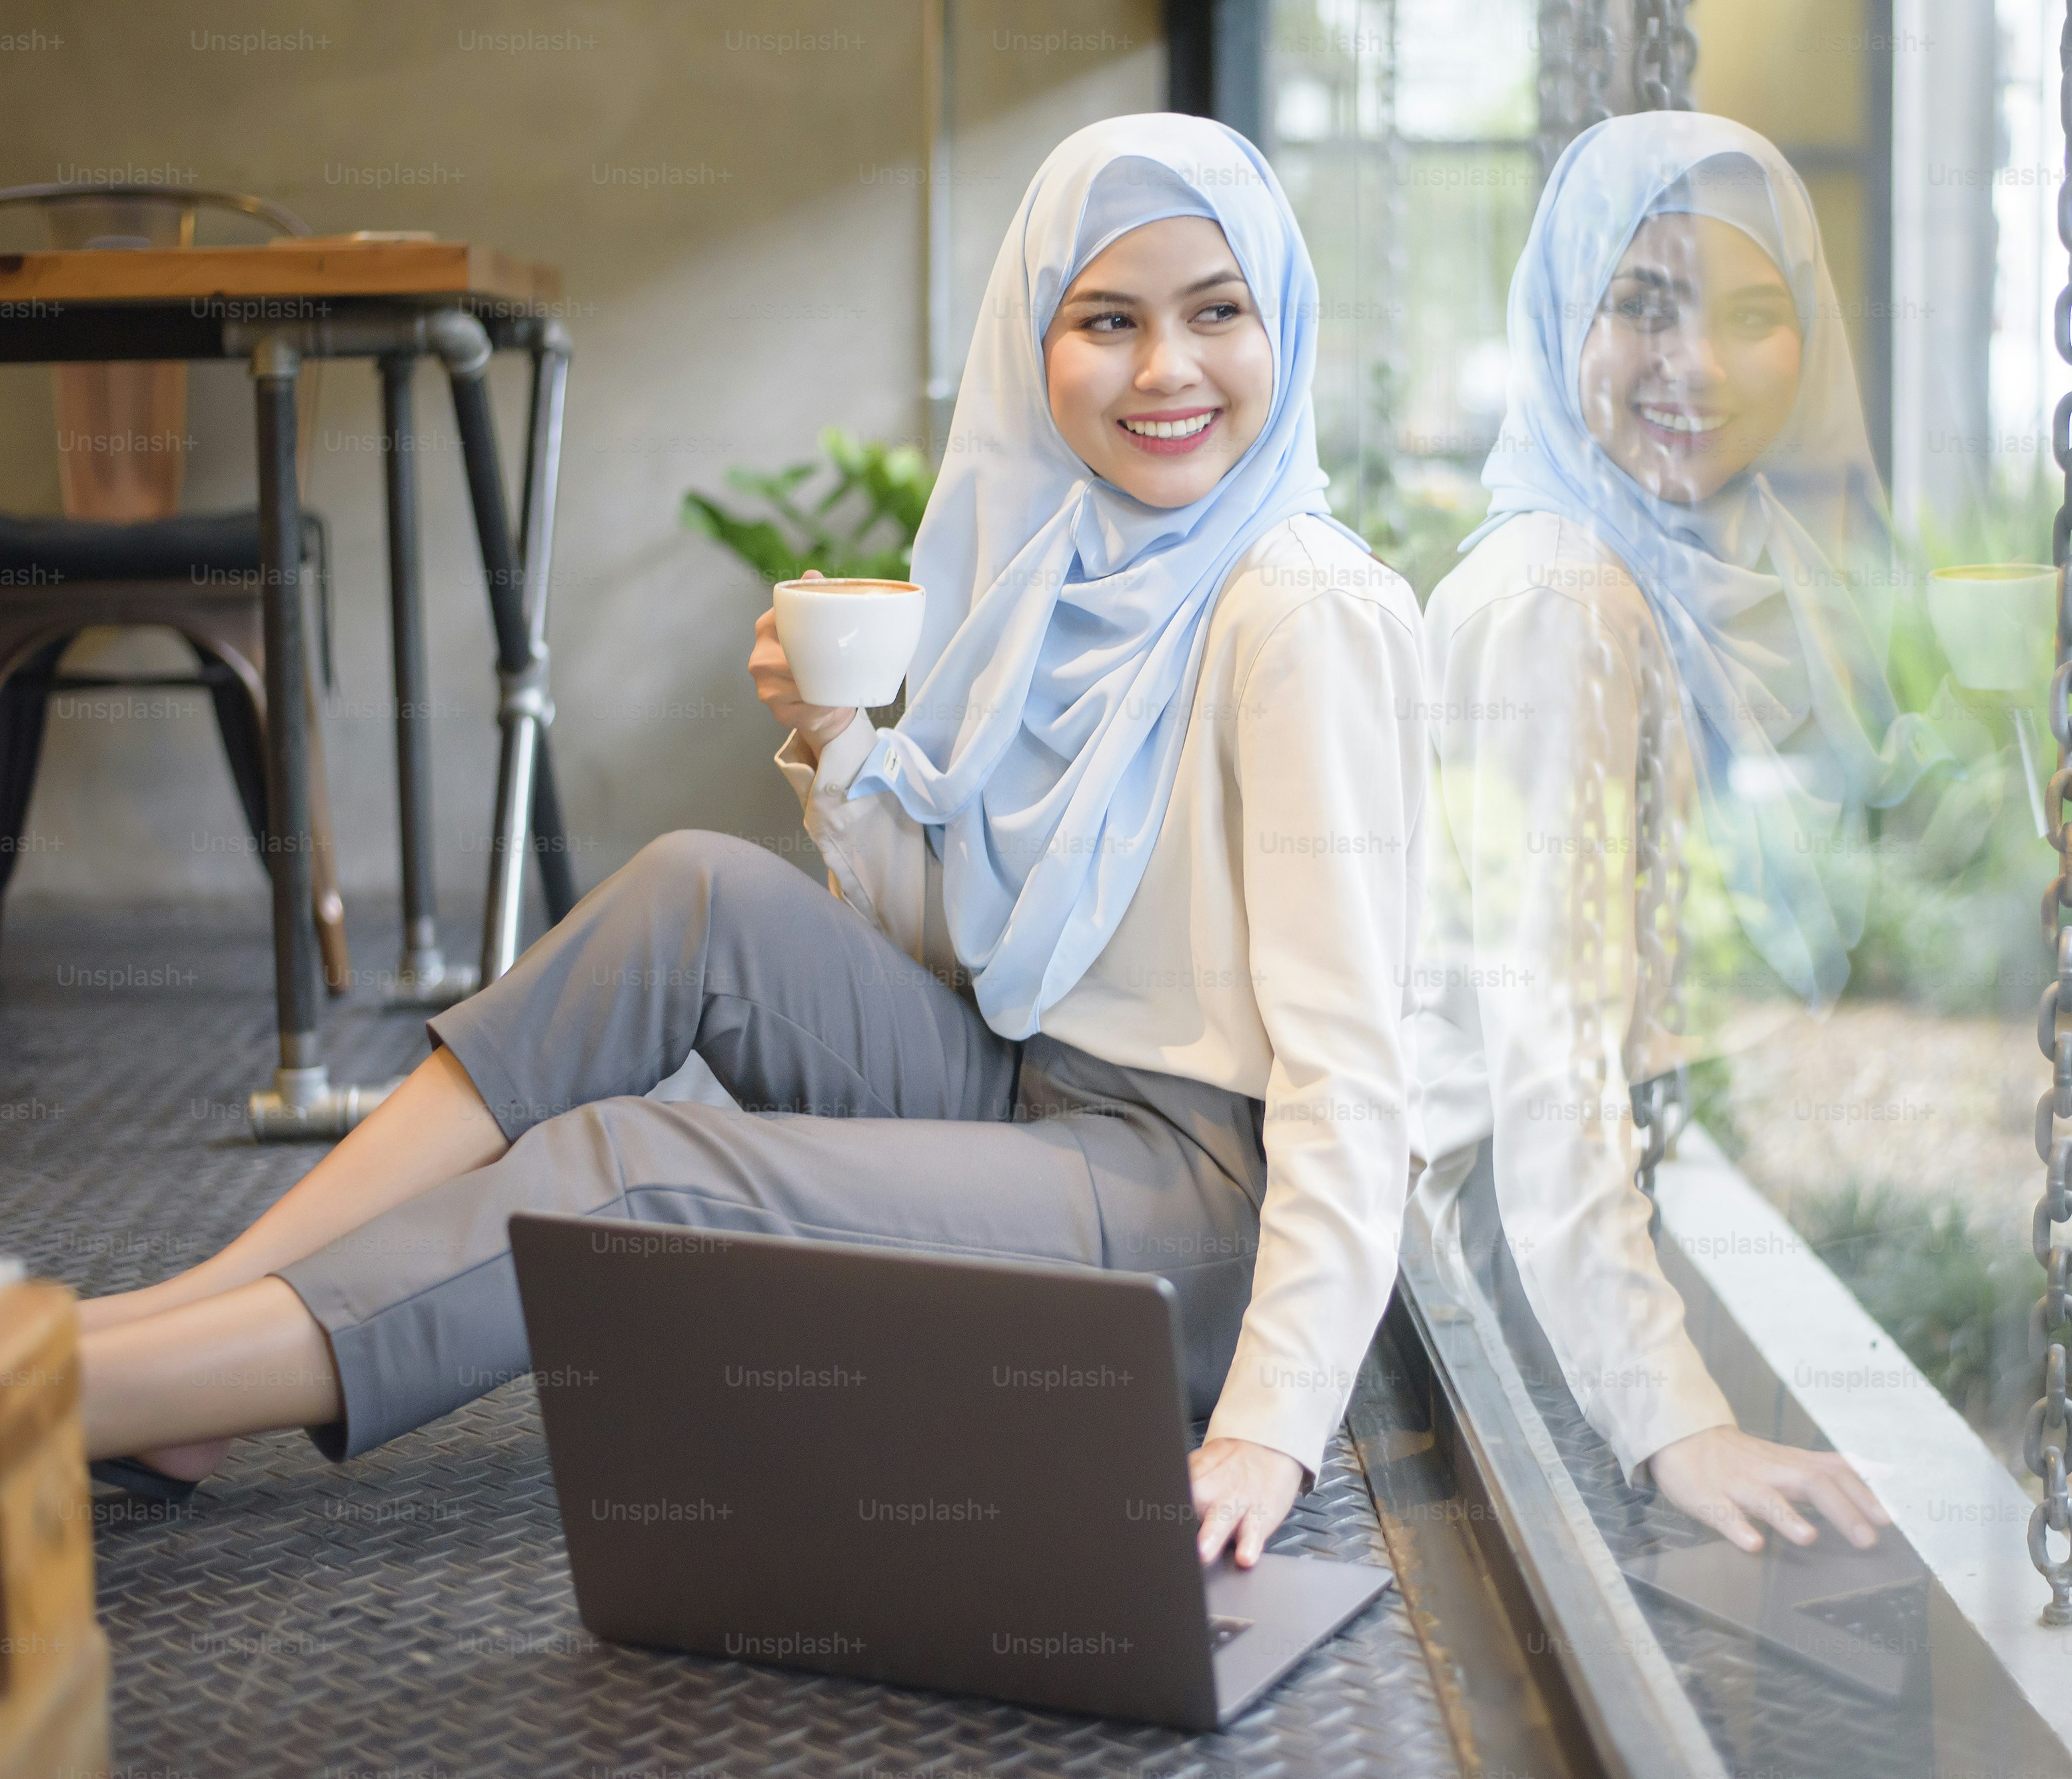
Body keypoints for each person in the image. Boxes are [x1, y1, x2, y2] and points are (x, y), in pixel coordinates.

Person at [78, 113, 1425, 1570]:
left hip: (1193, 1209)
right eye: (1107, 318)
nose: (1165, 370)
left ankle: (67, 1388)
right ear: (1036, 342)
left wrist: (1273, 1421)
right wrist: (848, 747)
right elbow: (971, 949)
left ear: (1277, 318)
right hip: (1036, 1085)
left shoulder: (1300, 612)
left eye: (1214, 311)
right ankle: (199, 1321)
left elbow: (1355, 1067)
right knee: (688, 892)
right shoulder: (1070, 569)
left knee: (638, 1167)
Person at [1408, 112, 1949, 1553]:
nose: (1694, 365)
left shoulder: (1608, 567)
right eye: (1641, 304)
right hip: (1446, 1287)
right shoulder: (1565, 605)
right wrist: (1672, 1424)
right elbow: (1543, 1051)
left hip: (1495, 1253)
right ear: (1558, 313)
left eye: (1750, 313)